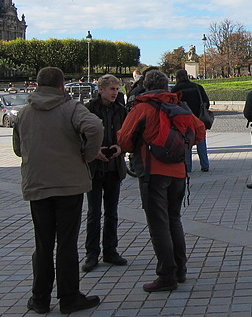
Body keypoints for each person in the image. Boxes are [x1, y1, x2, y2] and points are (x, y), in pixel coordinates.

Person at [12, 67, 104, 314]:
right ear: (62, 86)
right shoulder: (71, 108)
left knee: (42, 244)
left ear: (37, 85)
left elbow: (18, 149)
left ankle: (40, 298)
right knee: (66, 243)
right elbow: (94, 127)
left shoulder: (24, 112)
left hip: (38, 184)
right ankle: (69, 297)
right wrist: (88, 154)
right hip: (68, 184)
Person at [117, 70, 205, 292]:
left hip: (153, 171)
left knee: (159, 225)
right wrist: (183, 146)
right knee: (174, 219)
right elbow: (200, 130)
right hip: (178, 172)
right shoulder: (178, 105)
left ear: (145, 86)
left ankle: (167, 274)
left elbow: (125, 140)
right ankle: (180, 269)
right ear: (167, 85)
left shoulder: (143, 108)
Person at [82, 74, 129, 273]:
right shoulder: (88, 110)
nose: (115, 93)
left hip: (114, 168)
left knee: (112, 213)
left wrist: (121, 148)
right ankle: (91, 253)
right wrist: (93, 152)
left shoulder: (121, 110)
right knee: (94, 213)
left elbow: (126, 134)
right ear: (101, 89)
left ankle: (110, 250)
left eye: (117, 89)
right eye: (112, 89)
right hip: (94, 169)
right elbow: (80, 136)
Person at [171, 69, 210, 173]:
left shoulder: (175, 89)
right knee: (201, 141)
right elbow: (207, 102)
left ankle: (187, 167)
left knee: (186, 143)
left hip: (183, 121)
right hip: (198, 119)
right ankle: (205, 164)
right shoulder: (197, 87)